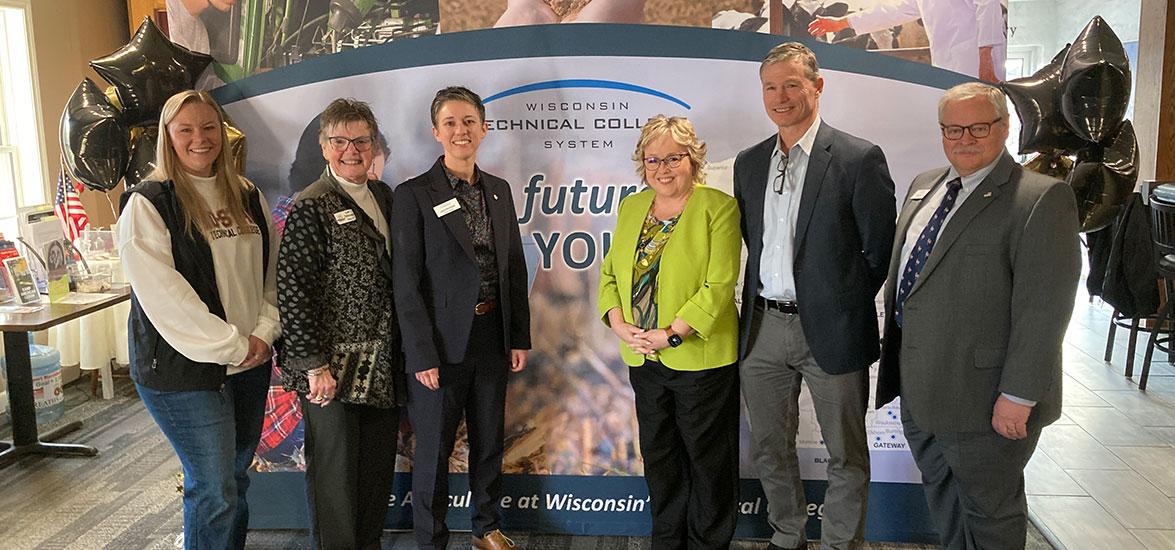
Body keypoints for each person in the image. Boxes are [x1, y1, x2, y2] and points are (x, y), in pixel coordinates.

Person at [875, 82, 1080, 549]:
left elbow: (1044, 311)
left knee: (991, 511)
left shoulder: (1040, 199)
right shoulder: (924, 185)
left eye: (978, 127)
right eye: (951, 129)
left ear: (1004, 128)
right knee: (944, 500)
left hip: (987, 399)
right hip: (922, 389)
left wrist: (1019, 395)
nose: (964, 138)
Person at [734, 42, 896, 550]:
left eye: (791, 84)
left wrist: (836, 303)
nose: (780, 97)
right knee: (769, 447)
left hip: (833, 330)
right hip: (761, 329)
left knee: (845, 452)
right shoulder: (749, 162)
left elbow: (878, 252)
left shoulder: (858, 157)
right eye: (770, 87)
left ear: (817, 86)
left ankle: (840, 544)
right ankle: (787, 535)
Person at [119, 89, 279, 550]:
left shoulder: (247, 195)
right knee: (213, 488)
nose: (199, 138)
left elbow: (270, 275)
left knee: (234, 479)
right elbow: (166, 298)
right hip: (182, 372)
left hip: (250, 361)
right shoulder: (148, 204)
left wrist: (263, 334)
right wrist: (234, 344)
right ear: (167, 137)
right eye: (185, 129)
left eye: (208, 127)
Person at [392, 86, 531, 550]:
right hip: (439, 345)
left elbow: (512, 266)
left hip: (492, 336)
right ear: (436, 132)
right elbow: (406, 283)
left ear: (484, 128)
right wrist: (420, 354)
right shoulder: (413, 195)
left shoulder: (498, 190)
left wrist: (519, 336)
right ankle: (432, 539)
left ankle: (486, 528)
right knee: (432, 450)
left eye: (469, 121)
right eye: (450, 123)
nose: (460, 130)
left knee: (489, 442)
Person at [597, 115, 741, 549]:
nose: (662, 168)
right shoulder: (631, 207)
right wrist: (620, 324)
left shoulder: (719, 207)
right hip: (644, 359)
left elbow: (719, 285)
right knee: (660, 460)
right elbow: (609, 276)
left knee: (707, 461)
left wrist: (671, 334)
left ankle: (708, 543)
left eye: (673, 158)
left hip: (700, 359)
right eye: (652, 158)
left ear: (692, 159)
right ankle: (667, 541)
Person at [276, 98, 405, 550]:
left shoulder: (385, 197)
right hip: (332, 372)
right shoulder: (311, 206)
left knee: (373, 476)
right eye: (340, 141)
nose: (351, 150)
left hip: (382, 366)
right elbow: (294, 293)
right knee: (335, 482)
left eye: (361, 141)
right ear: (324, 147)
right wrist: (314, 366)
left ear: (374, 146)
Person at [808, 0, 1005, 82]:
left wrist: (985, 58)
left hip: (976, 63)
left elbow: (988, 5)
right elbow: (896, 11)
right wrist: (842, 22)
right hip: (948, 64)